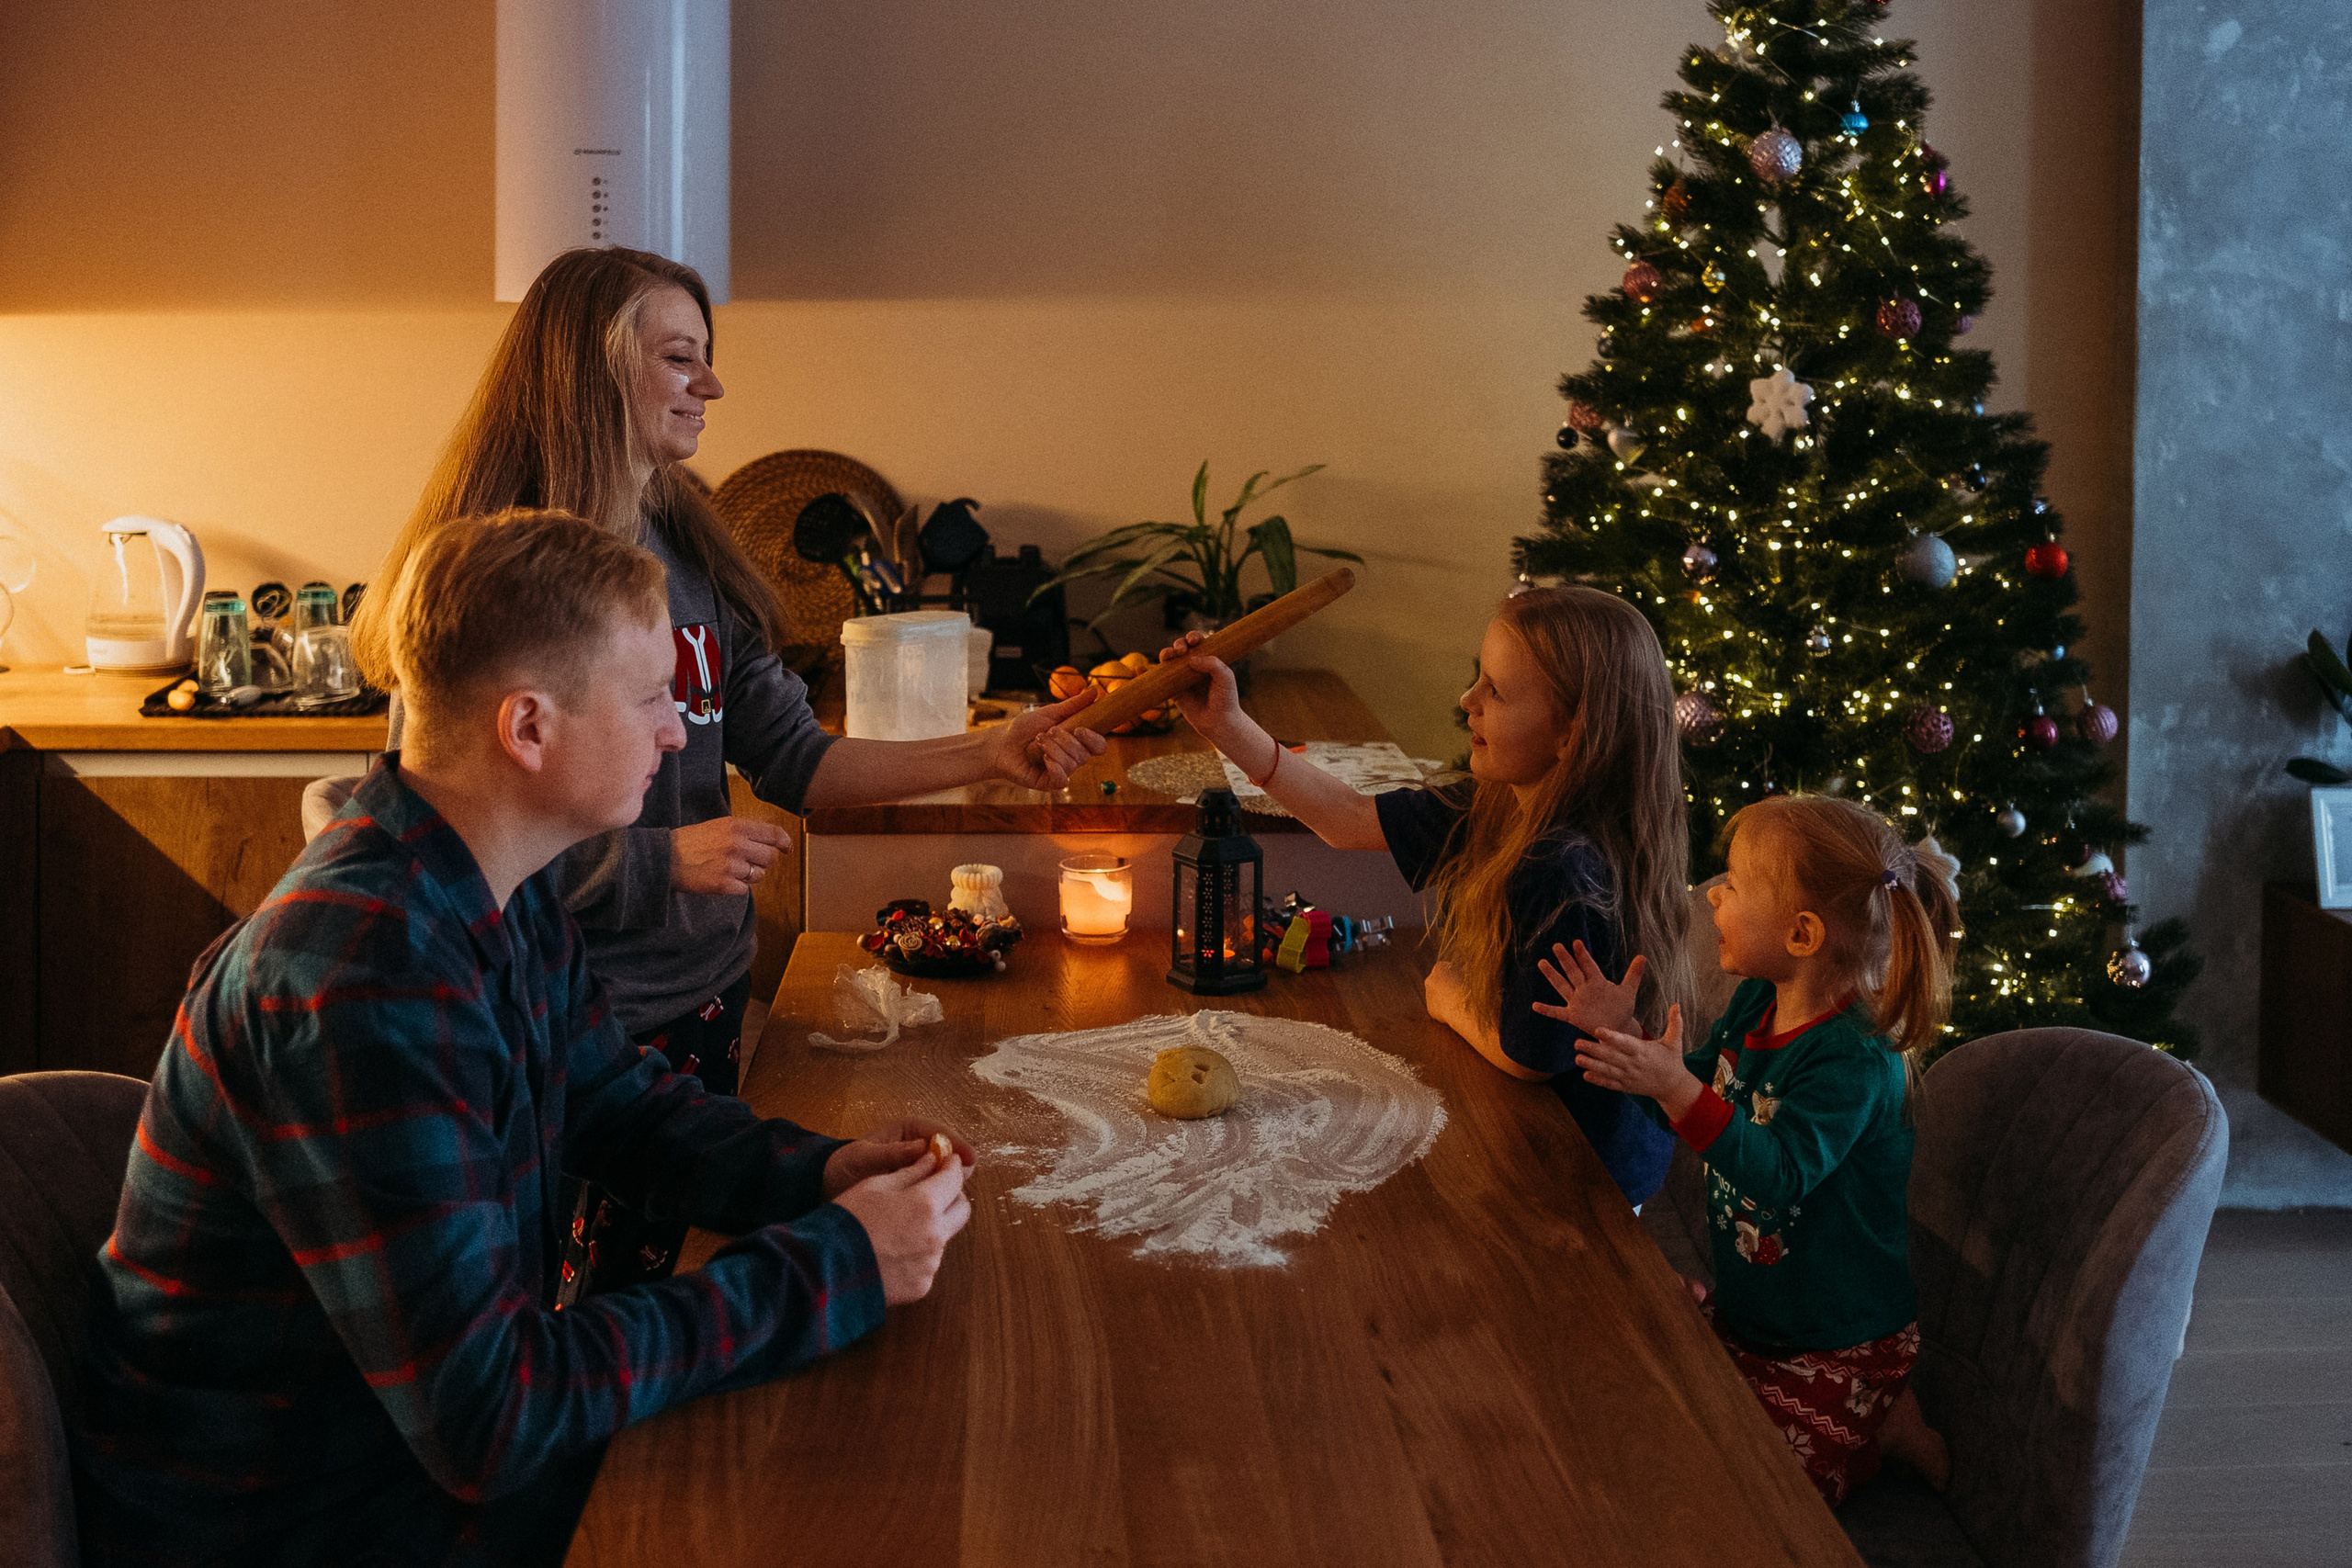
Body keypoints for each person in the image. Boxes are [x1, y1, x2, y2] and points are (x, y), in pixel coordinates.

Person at [77, 512, 977, 1567]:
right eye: (650, 697)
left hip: (398, 1469)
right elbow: (490, 1416)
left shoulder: (491, 882)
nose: (680, 732)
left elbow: (614, 1104)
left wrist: (818, 1175)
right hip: (302, 1522)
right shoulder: (359, 982)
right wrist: (836, 1266)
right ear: (530, 728)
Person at [345, 245, 1102, 1295]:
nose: (711, 385)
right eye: (679, 358)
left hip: (687, 1005)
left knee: (646, 1277)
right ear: (591, 370)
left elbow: (796, 758)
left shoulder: (690, 552)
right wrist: (655, 865)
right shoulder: (494, 574)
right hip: (558, 1012)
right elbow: (438, 842)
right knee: (559, 1302)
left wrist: (989, 752)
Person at [1163, 585, 1692, 1204]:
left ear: (1571, 733)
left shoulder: (1562, 864)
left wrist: (1450, 999)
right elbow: (1350, 818)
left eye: (1495, 690)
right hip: (1541, 1135)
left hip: (1585, 1173)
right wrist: (1227, 725)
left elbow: (1532, 1056)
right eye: (1478, 679)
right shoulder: (1505, 802)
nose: (1467, 701)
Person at [1546, 793, 1957, 1505]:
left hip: (1838, 1338)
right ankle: (1870, 1421)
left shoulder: (1856, 1059)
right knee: (1654, 1382)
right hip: (1761, 1315)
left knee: (1749, 1484)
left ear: (1801, 932)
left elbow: (1781, 1174)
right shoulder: (1755, 1004)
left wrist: (1675, 1088)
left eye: (1732, 885)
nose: (1713, 900)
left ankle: (1884, 1415)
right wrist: (1633, 1044)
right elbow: (1696, 1094)